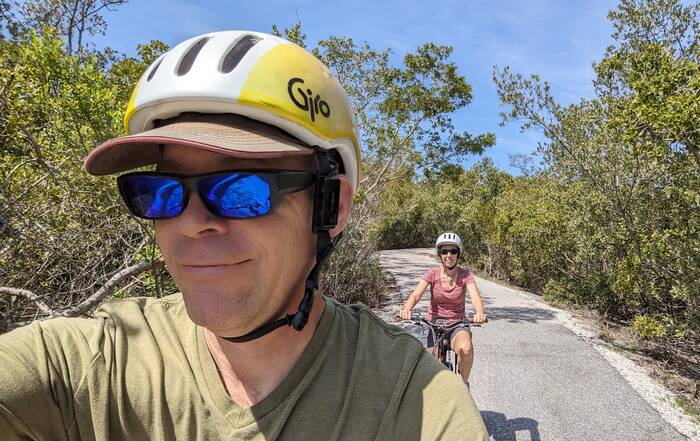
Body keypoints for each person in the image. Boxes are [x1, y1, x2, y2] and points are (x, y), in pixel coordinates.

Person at [0, 31, 488, 440]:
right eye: (161, 192)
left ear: (331, 207)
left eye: (240, 190)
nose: (191, 222)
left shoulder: (415, 404)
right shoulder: (98, 361)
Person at [399, 232, 488, 385]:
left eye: (453, 251)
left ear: (458, 253)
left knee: (466, 349)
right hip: (433, 324)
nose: (449, 255)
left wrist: (479, 313)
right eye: (444, 251)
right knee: (429, 361)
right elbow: (416, 294)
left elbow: (475, 298)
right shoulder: (432, 274)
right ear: (439, 254)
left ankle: (463, 386)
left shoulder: (465, 276)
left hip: (457, 325)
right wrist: (406, 310)